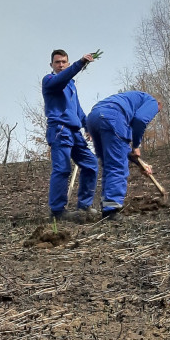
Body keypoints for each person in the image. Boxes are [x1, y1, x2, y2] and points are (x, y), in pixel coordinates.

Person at [41, 49, 98, 222]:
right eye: (57, 62)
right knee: (62, 169)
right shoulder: (49, 80)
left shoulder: (71, 85)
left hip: (74, 132)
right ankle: (57, 211)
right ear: (51, 65)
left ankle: (84, 205)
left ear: (67, 62)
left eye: (64, 62)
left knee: (91, 163)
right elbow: (61, 78)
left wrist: (88, 127)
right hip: (60, 130)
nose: (60, 65)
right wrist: (80, 63)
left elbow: (78, 110)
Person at [85, 91, 159, 221]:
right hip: (111, 118)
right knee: (117, 166)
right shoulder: (153, 102)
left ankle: (107, 206)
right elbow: (140, 120)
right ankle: (111, 211)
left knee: (110, 164)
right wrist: (136, 145)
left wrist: (139, 163)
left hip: (93, 118)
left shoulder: (128, 101)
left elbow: (122, 148)